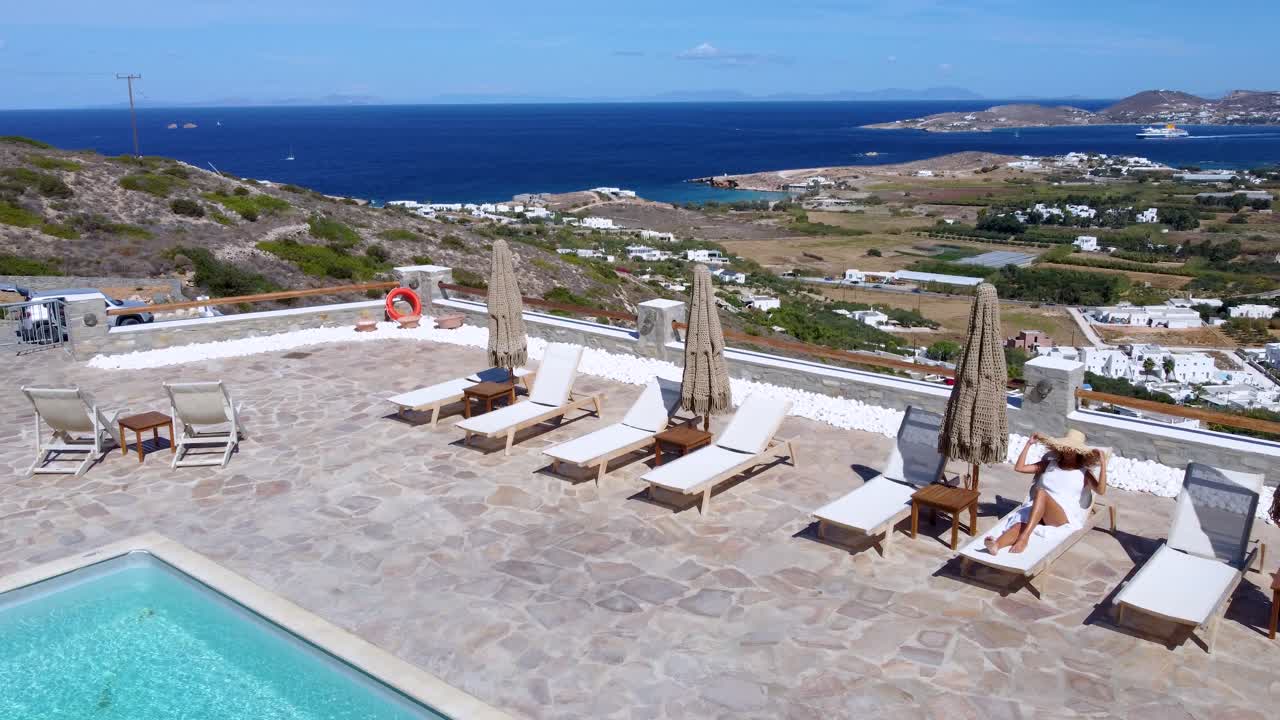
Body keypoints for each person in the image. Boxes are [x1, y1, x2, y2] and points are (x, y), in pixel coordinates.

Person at [984, 429, 1107, 555]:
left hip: (1062, 516)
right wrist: (1029, 444)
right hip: (1039, 510)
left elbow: (1101, 490)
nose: (1068, 450)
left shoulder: (1084, 473)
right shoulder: (1048, 464)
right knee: (1019, 525)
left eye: (1072, 448)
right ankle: (997, 545)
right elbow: (1019, 468)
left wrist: (1103, 463)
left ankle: (1024, 538)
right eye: (1066, 447)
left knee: (1041, 492)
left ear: (1079, 452)